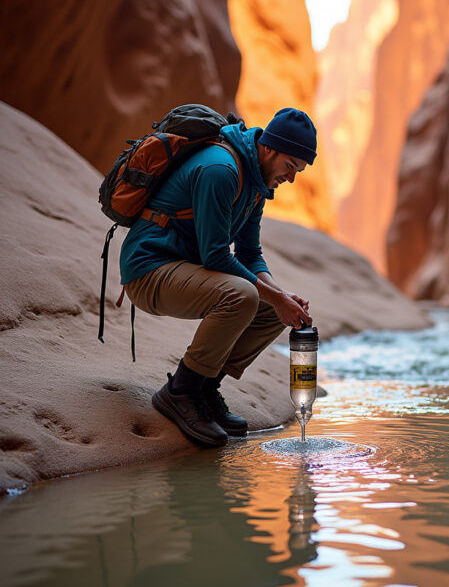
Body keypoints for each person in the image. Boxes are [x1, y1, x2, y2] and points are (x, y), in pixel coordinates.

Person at [119, 107, 316, 447]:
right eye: (290, 166)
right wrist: (276, 297)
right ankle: (180, 392)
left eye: (298, 170)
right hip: (148, 270)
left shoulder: (256, 183)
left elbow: (251, 255)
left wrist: (283, 298)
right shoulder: (221, 170)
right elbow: (216, 256)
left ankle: (205, 390)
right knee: (242, 296)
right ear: (269, 149)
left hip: (183, 269)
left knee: (271, 309)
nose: (291, 177)